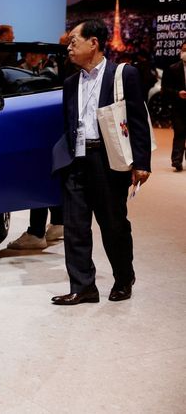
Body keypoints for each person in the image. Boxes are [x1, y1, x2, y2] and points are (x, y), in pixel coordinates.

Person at [50, 19, 152, 305]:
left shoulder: (123, 74)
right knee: (75, 227)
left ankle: (123, 278)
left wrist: (141, 162)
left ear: (93, 43)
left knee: (113, 224)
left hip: (107, 161)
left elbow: (138, 121)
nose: (68, 47)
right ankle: (83, 287)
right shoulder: (70, 83)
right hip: (76, 159)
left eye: (73, 41)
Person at [160, 41, 186, 172]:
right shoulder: (173, 68)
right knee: (179, 132)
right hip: (178, 106)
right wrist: (178, 94)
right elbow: (165, 89)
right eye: (184, 50)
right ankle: (177, 160)